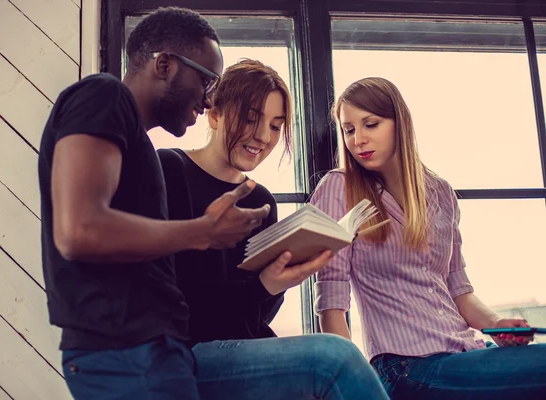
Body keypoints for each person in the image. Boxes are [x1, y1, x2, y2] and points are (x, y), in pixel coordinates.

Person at [38, 7, 271, 400]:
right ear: (164, 64)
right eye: (206, 79)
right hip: (128, 352)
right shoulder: (102, 94)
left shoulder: (139, 144)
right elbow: (79, 231)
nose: (209, 97)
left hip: (153, 353)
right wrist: (203, 232)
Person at [157, 60, 390, 400]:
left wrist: (279, 282)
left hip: (239, 352)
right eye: (251, 119)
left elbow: (251, 320)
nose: (263, 137)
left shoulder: (261, 200)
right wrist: (263, 285)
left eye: (276, 126)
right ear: (215, 114)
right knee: (333, 357)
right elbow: (178, 306)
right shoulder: (169, 170)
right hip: (182, 355)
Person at [310, 76, 546, 400]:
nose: (358, 139)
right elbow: (332, 303)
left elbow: (460, 291)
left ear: (399, 123)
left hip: (464, 351)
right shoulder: (339, 188)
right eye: (349, 130)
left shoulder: (442, 193)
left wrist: (497, 322)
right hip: (404, 368)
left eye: (371, 124)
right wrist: (353, 386)